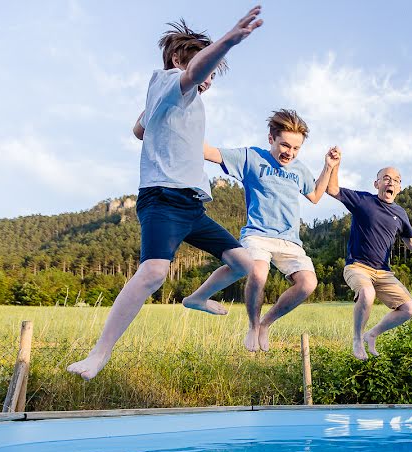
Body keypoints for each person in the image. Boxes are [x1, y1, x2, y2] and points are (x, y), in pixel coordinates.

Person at [67, 8, 263, 380]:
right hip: (162, 199)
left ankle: (197, 298)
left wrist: (147, 120)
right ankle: (98, 354)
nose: (208, 80)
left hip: (191, 205)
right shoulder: (171, 77)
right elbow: (192, 73)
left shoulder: (173, 97)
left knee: (244, 264)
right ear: (178, 58)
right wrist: (228, 41)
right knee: (155, 271)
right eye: (208, 68)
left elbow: (138, 131)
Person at [203, 110, 339, 351]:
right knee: (258, 273)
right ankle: (253, 325)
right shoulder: (251, 157)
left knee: (308, 283)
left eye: (296, 148)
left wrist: (328, 167)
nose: (290, 153)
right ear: (271, 139)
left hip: (289, 241)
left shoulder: (299, 169)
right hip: (257, 234)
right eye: (285, 145)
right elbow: (210, 152)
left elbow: (316, 196)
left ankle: (266, 323)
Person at [326, 156, 412, 360]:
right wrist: (334, 166)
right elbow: (332, 189)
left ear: (400, 188)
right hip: (357, 267)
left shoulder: (400, 213)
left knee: (409, 308)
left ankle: (372, 334)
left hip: (383, 272)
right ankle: (358, 339)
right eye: (386, 178)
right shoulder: (363, 201)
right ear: (376, 183)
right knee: (367, 293)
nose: (391, 182)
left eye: (396, 180)